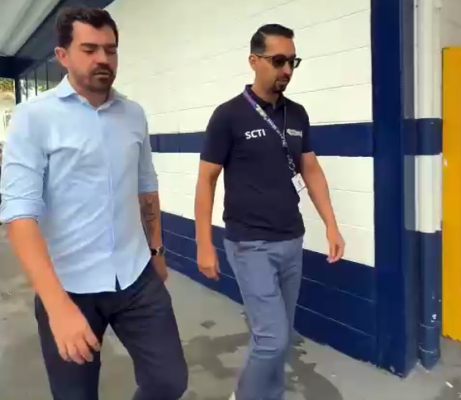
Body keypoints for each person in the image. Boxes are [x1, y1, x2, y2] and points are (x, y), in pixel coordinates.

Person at [0, 7, 187, 400]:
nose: (103, 58)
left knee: (169, 381)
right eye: (89, 49)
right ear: (62, 55)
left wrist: (156, 250)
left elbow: (146, 186)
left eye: (110, 49)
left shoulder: (133, 114)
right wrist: (57, 307)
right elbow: (19, 216)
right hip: (69, 285)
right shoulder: (33, 118)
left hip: (135, 276)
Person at [194, 24, 345, 400]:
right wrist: (203, 243)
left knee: (278, 336)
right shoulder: (228, 116)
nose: (287, 70)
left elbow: (310, 169)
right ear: (254, 61)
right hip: (250, 243)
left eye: (292, 61)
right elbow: (206, 180)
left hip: (291, 240)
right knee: (272, 338)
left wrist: (331, 224)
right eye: (278, 61)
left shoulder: (297, 114)